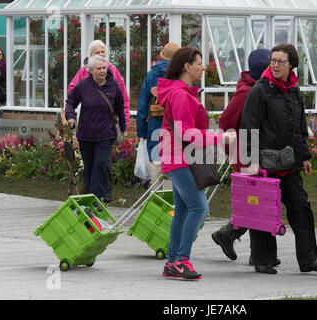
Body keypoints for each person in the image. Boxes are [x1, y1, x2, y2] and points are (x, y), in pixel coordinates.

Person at [240, 43, 317, 275]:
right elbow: (248, 126)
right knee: (263, 211)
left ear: (291, 65)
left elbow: (299, 126)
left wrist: (305, 157)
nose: (276, 64)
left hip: (289, 163)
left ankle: (308, 259)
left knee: (301, 207)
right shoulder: (260, 90)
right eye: (273, 60)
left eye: (281, 61)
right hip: (263, 163)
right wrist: (252, 160)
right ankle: (263, 260)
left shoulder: (293, 90)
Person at [157, 47, 236, 280]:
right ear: (186, 66)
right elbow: (187, 133)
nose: (203, 67)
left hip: (179, 158)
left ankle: (172, 262)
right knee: (200, 208)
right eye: (199, 63)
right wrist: (220, 138)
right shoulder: (180, 95)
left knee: (183, 210)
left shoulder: (181, 92)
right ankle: (181, 260)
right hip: (181, 159)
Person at [211, 48, 277, 264]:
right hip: (247, 153)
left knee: (260, 201)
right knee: (255, 202)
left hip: (258, 151)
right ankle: (227, 235)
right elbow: (225, 121)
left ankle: (256, 252)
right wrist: (237, 146)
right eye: (270, 64)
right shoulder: (247, 93)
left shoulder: (261, 88)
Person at [68, 40, 130, 201]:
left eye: (104, 67)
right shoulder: (82, 83)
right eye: (99, 68)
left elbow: (121, 103)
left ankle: (97, 198)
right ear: (91, 70)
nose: (102, 70)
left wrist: (124, 125)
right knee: (90, 166)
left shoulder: (114, 83)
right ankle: (89, 195)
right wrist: (71, 117)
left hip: (106, 132)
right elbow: (70, 99)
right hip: (86, 131)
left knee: (101, 163)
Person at [136, 42, 180, 187]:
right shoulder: (182, 75)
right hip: (176, 125)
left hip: (155, 124)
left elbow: (142, 106)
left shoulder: (151, 75)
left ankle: (155, 197)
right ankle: (171, 199)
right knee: (173, 161)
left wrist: (141, 131)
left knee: (156, 160)